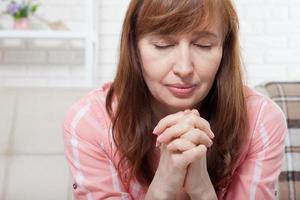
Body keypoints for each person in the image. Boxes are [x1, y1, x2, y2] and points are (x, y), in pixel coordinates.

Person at [62, 0, 287, 199]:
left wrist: (201, 190)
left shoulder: (261, 120)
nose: (184, 68)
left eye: (203, 45)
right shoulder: (89, 121)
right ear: (134, 49)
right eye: (163, 45)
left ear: (224, 51)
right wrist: (163, 188)